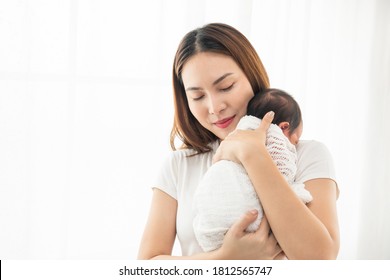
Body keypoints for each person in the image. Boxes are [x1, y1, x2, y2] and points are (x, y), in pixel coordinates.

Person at [137, 23, 339, 260]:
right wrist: (226, 258)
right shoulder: (179, 165)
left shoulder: (306, 155)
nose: (214, 107)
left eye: (226, 87)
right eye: (197, 96)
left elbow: (320, 259)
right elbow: (147, 265)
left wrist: (253, 155)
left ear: (252, 77)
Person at [193, 88, 313, 253]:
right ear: (284, 127)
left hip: (208, 234)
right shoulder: (275, 137)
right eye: (295, 139)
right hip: (247, 222)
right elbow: (282, 172)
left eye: (227, 86)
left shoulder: (236, 134)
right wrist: (297, 194)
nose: (294, 145)